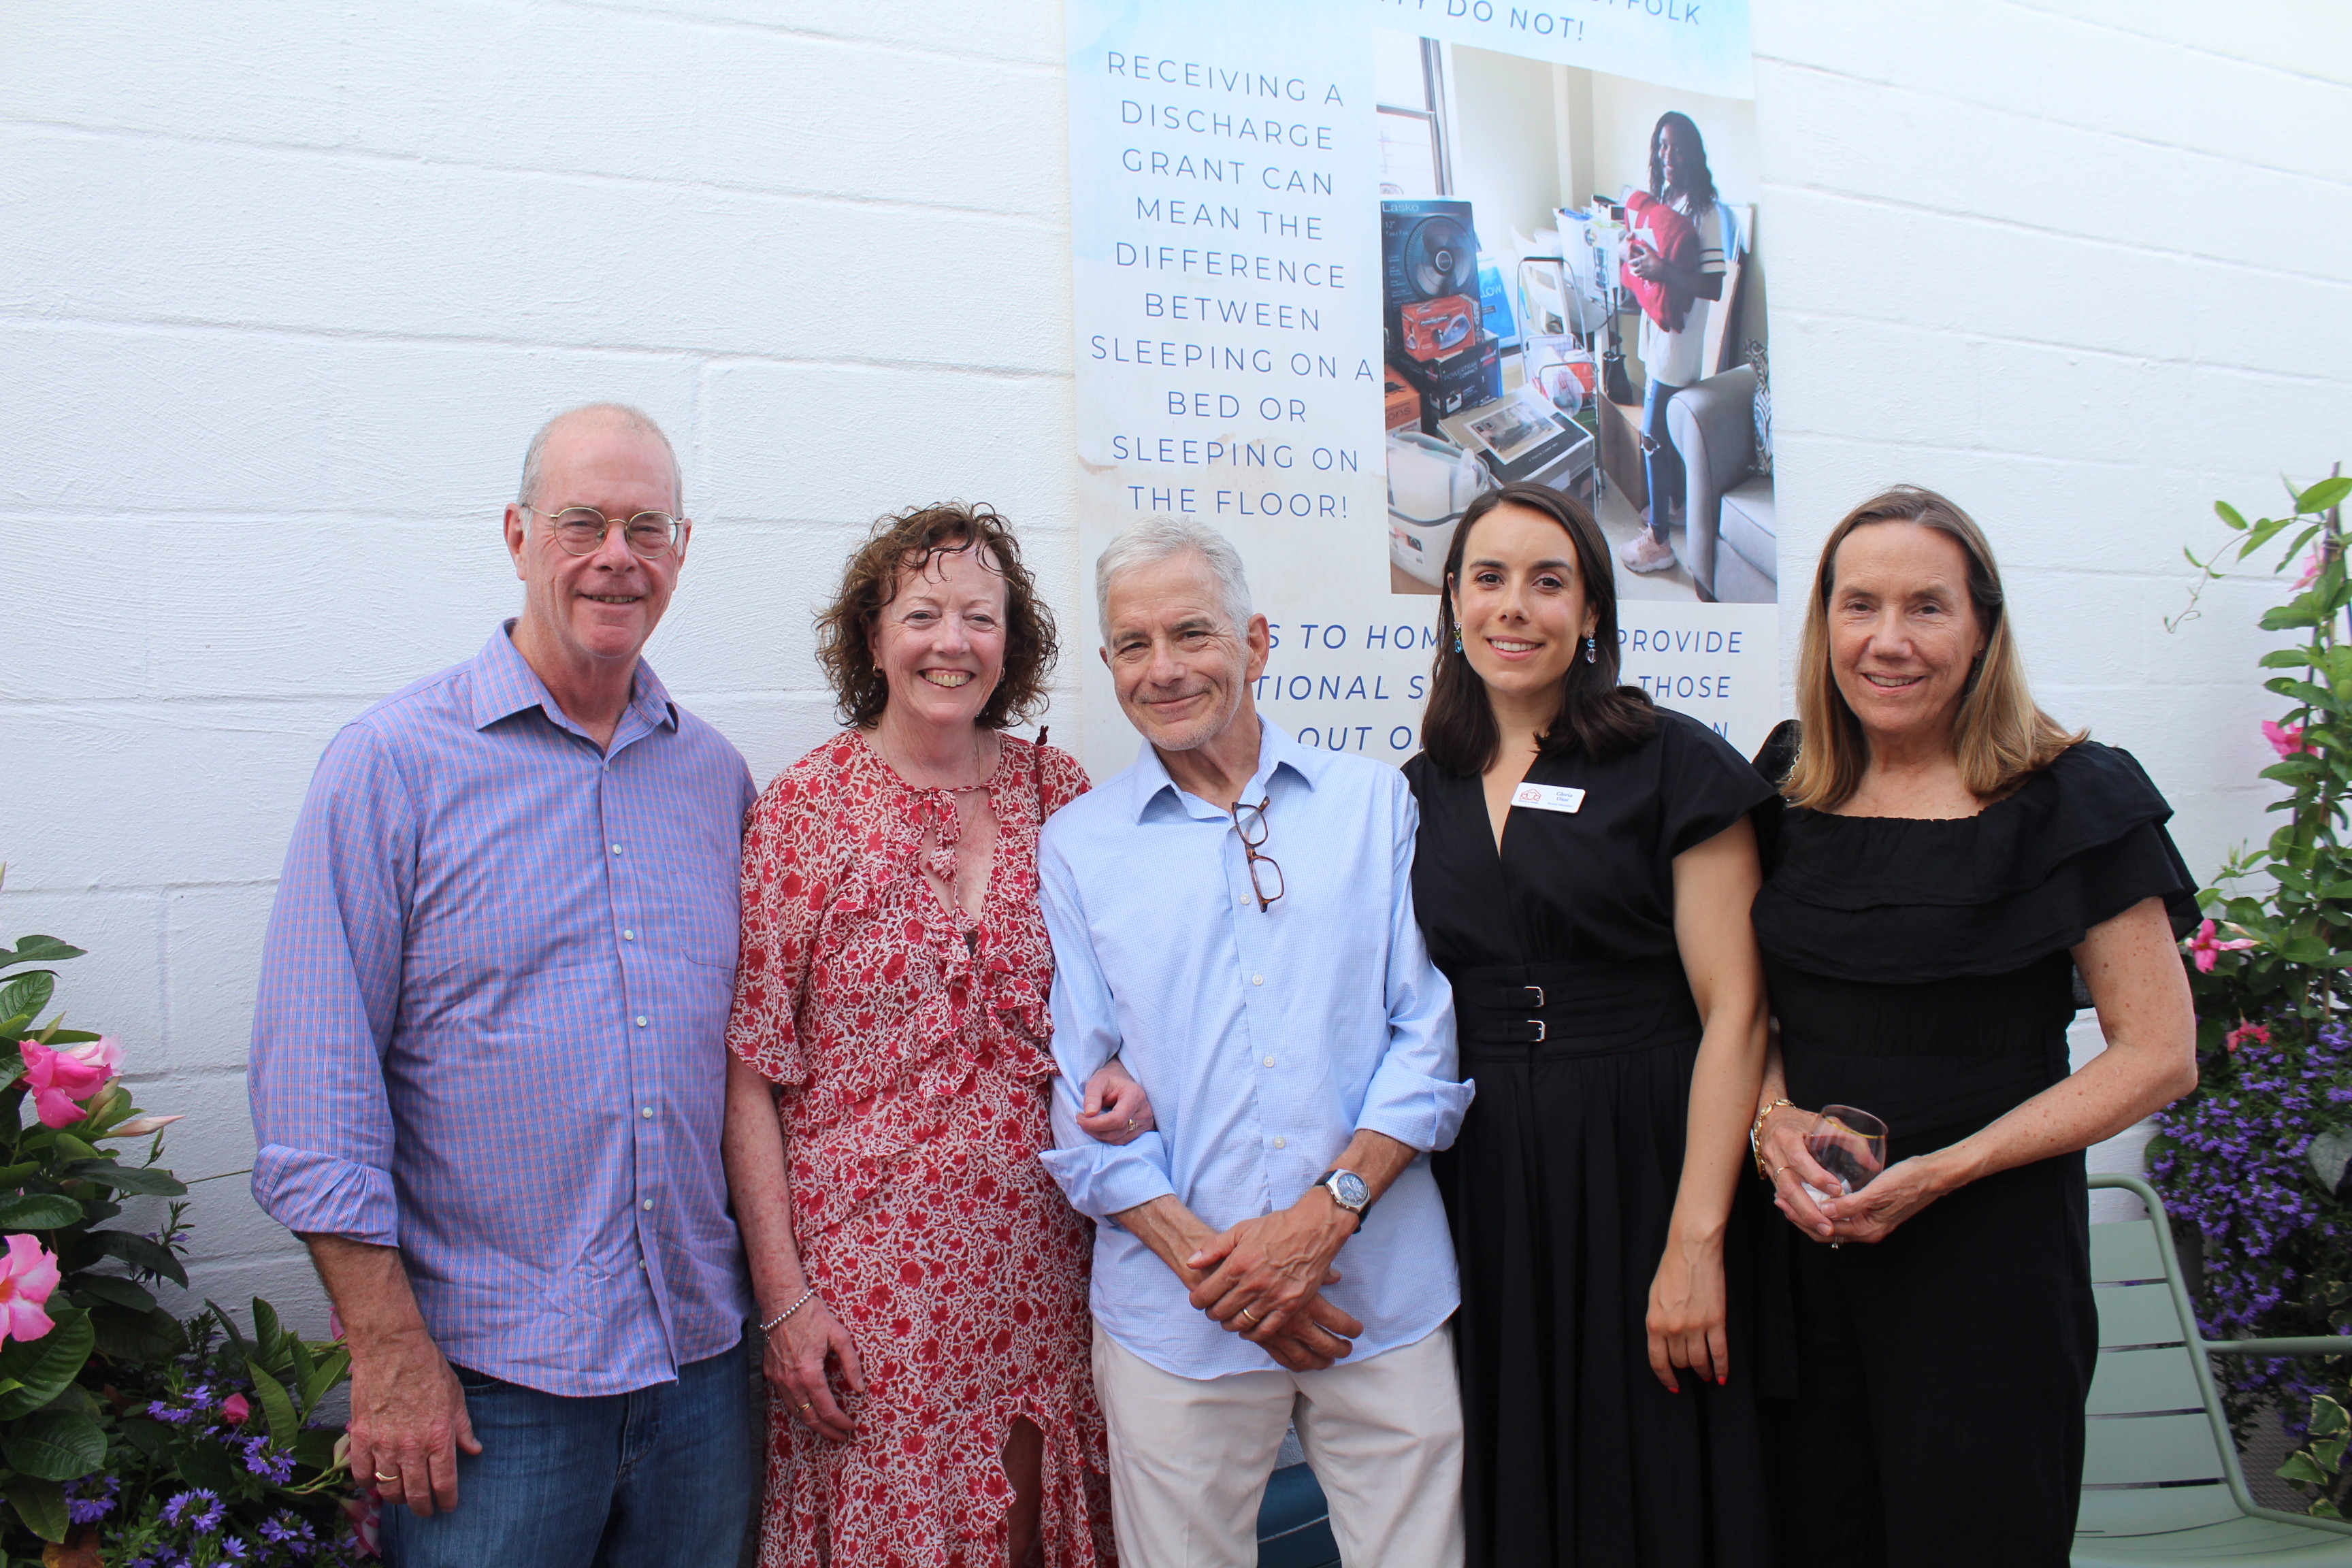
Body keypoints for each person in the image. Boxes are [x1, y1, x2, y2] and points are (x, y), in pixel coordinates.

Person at [248, 404, 761, 1566]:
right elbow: (314, 1092)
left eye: (647, 527)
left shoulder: (712, 777)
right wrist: (388, 1352)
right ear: (519, 534)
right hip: (490, 1391)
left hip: (696, 1374)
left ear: (681, 552)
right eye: (583, 521)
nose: (616, 555)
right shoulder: (392, 766)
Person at [1748, 486, 2199, 1566]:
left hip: (1990, 1264)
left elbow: (2159, 1055)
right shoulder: (1785, 782)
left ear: (1983, 627)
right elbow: (1744, 1009)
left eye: (1927, 608)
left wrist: (1947, 1172)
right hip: (1802, 1249)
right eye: (1860, 605)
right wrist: (1771, 1120)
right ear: (1824, 623)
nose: (1889, 641)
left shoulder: (2073, 795)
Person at [1039, 517, 1473, 1568]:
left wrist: (1320, 1226)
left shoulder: (1374, 806)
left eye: (1192, 632)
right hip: (1179, 1324)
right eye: (1133, 644)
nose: (1164, 668)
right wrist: (1228, 1273)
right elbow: (1080, 1101)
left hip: (1380, 1298)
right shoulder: (1079, 846)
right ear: (1108, 664)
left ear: (1258, 642)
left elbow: (1426, 1042)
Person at [723, 504, 1143, 1568]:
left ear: (1012, 642)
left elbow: (1134, 1001)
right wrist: (783, 1300)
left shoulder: (1060, 793)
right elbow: (750, 1074)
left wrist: (1132, 1074)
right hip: (867, 1288)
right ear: (873, 640)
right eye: (921, 615)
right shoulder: (805, 810)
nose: (951, 642)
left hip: (1045, 1269)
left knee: (1030, 1529)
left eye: (979, 617)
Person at [1403, 482, 1776, 1566]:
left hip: (1646, 1153)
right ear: (1455, 603)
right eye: (1489, 579)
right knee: (1510, 1457)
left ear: (1594, 612)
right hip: (1483, 1176)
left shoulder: (1672, 763)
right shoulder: (1417, 791)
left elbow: (1739, 1009)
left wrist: (1697, 1238)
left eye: (1548, 581)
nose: (1514, 608)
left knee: (1654, 1450)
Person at [1619, 110, 1727, 578]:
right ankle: (1676, 505)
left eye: (1678, 147)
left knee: (1652, 439)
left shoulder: (1706, 213)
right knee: (1665, 434)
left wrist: (1660, 270)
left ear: (1694, 154)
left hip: (1678, 347)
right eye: (1662, 146)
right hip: (1656, 335)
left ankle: (1659, 541)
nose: (1668, 156)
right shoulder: (1666, 201)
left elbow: (1714, 286)